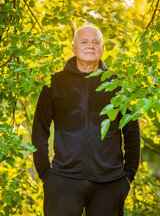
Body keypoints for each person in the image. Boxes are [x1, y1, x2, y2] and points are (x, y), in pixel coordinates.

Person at [32, 25, 141, 216]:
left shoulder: (118, 85)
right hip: (62, 182)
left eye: (95, 41)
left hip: (110, 184)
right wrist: (46, 175)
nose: (90, 45)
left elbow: (132, 134)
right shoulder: (54, 83)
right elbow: (40, 130)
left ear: (102, 48)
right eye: (84, 41)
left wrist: (128, 177)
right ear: (74, 47)